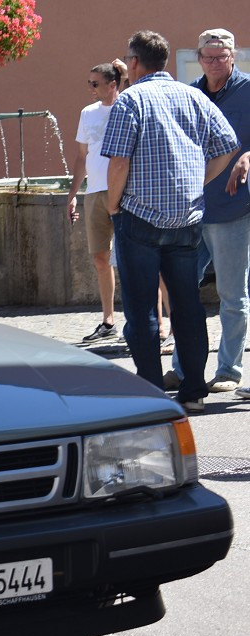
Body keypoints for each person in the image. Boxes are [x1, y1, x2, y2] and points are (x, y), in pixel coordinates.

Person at [101, 30, 239, 413]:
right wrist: (198, 183)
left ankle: (150, 393)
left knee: (143, 308)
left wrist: (114, 205)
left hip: (139, 217)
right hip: (186, 218)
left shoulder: (130, 100)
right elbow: (228, 146)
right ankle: (194, 390)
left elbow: (118, 162)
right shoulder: (193, 95)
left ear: (133, 62)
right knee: (188, 305)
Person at [175, 29, 250, 397]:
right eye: (208, 56)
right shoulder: (190, 93)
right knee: (183, 290)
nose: (215, 62)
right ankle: (182, 367)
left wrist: (249, 156)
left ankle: (229, 369)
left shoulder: (249, 89)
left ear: (233, 56)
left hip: (234, 207)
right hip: (192, 208)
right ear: (199, 57)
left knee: (232, 295)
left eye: (221, 56)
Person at [68, 62, 124, 343]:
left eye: (95, 83)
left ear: (112, 84)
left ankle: (162, 322)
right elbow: (82, 156)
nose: (90, 88)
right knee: (100, 257)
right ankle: (108, 320)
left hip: (124, 191)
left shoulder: (128, 105)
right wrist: (73, 195)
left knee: (143, 258)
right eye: (89, 83)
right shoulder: (87, 113)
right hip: (94, 193)